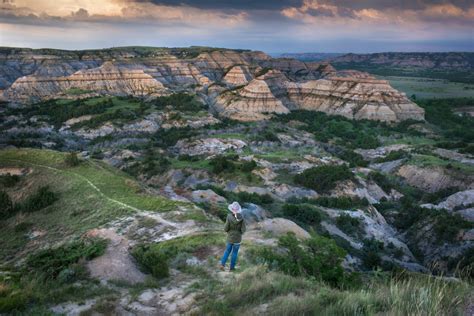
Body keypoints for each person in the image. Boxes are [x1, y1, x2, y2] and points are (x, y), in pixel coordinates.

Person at [220, 201, 246, 271]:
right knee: (234, 253)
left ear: (232, 209)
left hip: (230, 238)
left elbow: (225, 228)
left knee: (227, 251)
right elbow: (244, 230)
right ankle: (232, 268)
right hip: (237, 239)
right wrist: (239, 233)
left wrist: (229, 231)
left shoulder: (229, 217)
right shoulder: (242, 218)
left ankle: (222, 264)